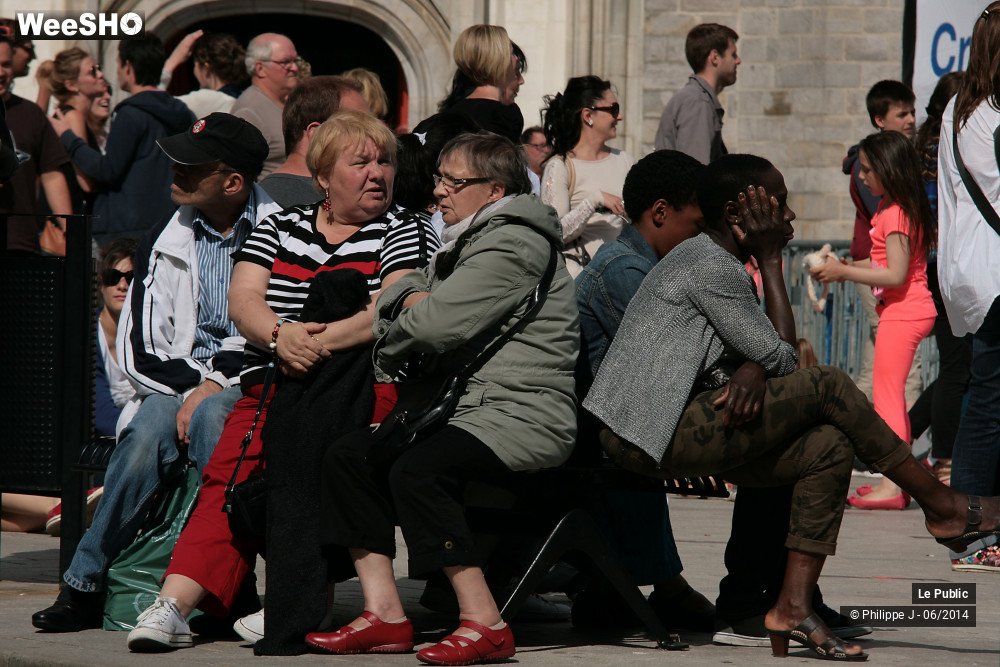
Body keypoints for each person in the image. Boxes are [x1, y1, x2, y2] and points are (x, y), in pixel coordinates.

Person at [584, 152, 1000, 661]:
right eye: (777, 204)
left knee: (825, 447)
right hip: (648, 429)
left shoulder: (715, 262)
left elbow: (764, 355)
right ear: (741, 216)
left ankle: (792, 605)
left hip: (673, 419)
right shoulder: (707, 264)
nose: (789, 218)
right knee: (826, 384)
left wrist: (755, 363)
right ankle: (943, 507)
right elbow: (783, 359)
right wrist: (773, 264)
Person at [126, 109, 439, 652]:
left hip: (360, 387)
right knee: (230, 474)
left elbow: (387, 308)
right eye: (359, 162)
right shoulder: (278, 226)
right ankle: (175, 604)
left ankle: (292, 601)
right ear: (321, 177)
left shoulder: (405, 228)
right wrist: (279, 337)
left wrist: (309, 344)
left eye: (384, 161)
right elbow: (243, 300)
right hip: (276, 377)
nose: (377, 173)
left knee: (320, 462)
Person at [303, 132, 577, 666]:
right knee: (350, 458)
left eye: (455, 182)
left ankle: (485, 622)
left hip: (522, 414)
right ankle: (384, 614)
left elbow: (430, 325)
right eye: (439, 179)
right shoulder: (466, 241)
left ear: (495, 190)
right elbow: (401, 298)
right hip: (471, 408)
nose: (440, 193)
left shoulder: (513, 243)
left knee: (417, 471)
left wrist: (407, 302)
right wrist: (408, 300)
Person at [31, 112, 280, 633]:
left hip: (250, 383)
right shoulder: (161, 237)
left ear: (233, 182)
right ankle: (83, 583)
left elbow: (272, 332)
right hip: (176, 383)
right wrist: (196, 387)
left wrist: (214, 384)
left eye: (192, 167)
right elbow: (141, 349)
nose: (175, 172)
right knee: (146, 434)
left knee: (216, 420)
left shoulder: (279, 233)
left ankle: (232, 584)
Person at [572, 149, 715, 632]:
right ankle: (661, 586)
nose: (699, 238)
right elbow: (679, 357)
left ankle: (666, 585)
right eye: (695, 226)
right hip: (597, 431)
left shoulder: (640, 265)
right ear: (659, 213)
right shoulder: (624, 271)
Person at [813, 131, 936, 510]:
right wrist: (846, 266)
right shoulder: (891, 208)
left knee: (887, 401)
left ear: (887, 168)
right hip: (904, 310)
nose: (861, 176)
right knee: (889, 398)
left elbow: (896, 274)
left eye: (867, 169)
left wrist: (845, 274)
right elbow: (884, 263)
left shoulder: (896, 211)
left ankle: (893, 486)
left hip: (905, 311)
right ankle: (893, 483)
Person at [937, 1, 1000, 572]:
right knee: (989, 401)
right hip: (997, 272)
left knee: (987, 397)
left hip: (976, 274)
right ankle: (979, 532)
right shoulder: (994, 114)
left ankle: (976, 525)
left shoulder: (960, 108)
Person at [50, 34, 195, 247]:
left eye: (117, 63)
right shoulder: (183, 112)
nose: (114, 72)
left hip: (127, 230)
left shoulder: (131, 113)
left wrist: (68, 138)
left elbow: (107, 170)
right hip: (172, 222)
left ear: (128, 66)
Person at [905, 72, 969, 489]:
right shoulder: (948, 143)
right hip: (948, 262)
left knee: (958, 367)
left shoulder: (923, 145)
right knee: (959, 368)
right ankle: (942, 459)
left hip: (933, 263)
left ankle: (906, 439)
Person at [842, 80, 922, 404]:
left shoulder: (893, 161)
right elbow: (891, 224)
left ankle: (852, 441)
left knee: (873, 363)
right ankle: (906, 448)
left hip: (882, 265)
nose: (911, 120)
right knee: (907, 365)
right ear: (879, 120)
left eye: (913, 112)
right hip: (878, 265)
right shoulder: (873, 169)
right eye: (902, 114)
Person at [540, 75, 633, 277]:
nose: (620, 117)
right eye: (613, 109)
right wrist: (594, 201)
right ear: (588, 115)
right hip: (581, 280)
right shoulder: (560, 166)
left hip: (623, 275)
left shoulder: (625, 160)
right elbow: (553, 233)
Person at [0, 35, 73, 255]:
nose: (2, 73)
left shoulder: (30, 114)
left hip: (22, 246)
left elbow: (52, 174)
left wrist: (70, 233)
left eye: (5, 64)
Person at [259, 75, 369, 208]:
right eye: (359, 125)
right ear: (317, 133)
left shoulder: (263, 195)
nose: (372, 133)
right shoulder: (271, 205)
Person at [35, 47, 108, 213]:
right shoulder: (73, 117)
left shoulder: (68, 115)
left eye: (99, 69)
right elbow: (86, 182)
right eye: (92, 72)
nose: (100, 75)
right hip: (74, 216)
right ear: (71, 85)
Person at [654, 23, 739, 164]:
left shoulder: (696, 98)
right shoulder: (697, 102)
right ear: (715, 57)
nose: (738, 61)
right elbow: (695, 173)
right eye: (733, 54)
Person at [438, 25, 524, 143]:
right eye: (511, 53)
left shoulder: (454, 112)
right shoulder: (501, 116)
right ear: (497, 59)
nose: (516, 59)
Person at [231, 33, 301, 178]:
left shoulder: (289, 101)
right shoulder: (248, 112)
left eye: (296, 60)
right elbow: (240, 174)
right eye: (286, 62)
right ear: (260, 68)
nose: (294, 68)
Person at [162, 31, 248, 119]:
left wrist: (172, 62)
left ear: (206, 68)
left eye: (195, 65)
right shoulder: (245, 96)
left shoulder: (206, 99)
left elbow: (154, 104)